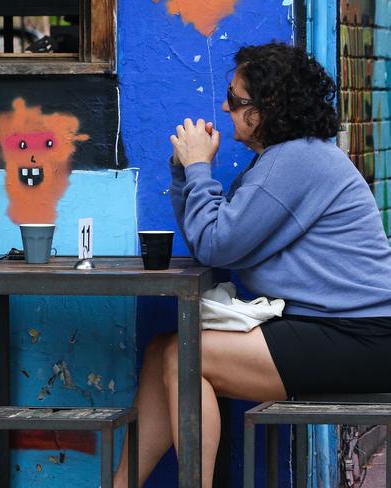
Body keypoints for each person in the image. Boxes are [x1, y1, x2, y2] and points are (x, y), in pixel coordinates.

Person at [113, 42, 391, 487]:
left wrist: (200, 167)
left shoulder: (297, 161)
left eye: (236, 101)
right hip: (332, 328)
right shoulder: (279, 161)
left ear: (267, 110)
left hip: (363, 336)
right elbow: (213, 241)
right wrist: (187, 173)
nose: (225, 107)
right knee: (161, 350)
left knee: (185, 355)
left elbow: (216, 245)